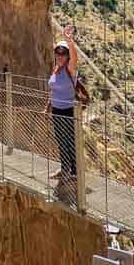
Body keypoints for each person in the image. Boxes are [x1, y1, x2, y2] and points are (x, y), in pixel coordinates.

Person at [47, 25, 78, 202]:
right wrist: (48, 107)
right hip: (57, 110)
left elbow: (75, 59)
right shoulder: (56, 69)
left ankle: (72, 172)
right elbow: (52, 90)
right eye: (57, 54)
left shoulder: (70, 69)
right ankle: (64, 168)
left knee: (69, 140)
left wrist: (69, 41)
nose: (60, 57)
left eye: (63, 54)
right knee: (61, 140)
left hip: (67, 110)